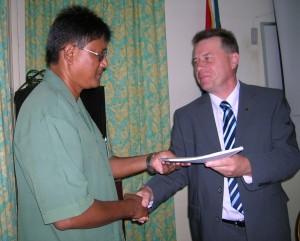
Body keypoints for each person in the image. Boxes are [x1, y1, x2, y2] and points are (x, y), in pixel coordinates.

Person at [13, 5, 181, 241]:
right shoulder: (48, 110)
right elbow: (69, 216)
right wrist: (130, 207)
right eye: (99, 54)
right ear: (70, 53)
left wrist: (151, 161)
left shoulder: (72, 103)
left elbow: (104, 165)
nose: (105, 63)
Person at [137, 28, 300, 241]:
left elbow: (290, 157)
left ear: (233, 60)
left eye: (207, 58)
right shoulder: (186, 116)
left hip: (267, 226)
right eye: (196, 62)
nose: (199, 67)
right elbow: (180, 169)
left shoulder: (270, 101)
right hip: (212, 231)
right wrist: (149, 192)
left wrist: (247, 166)